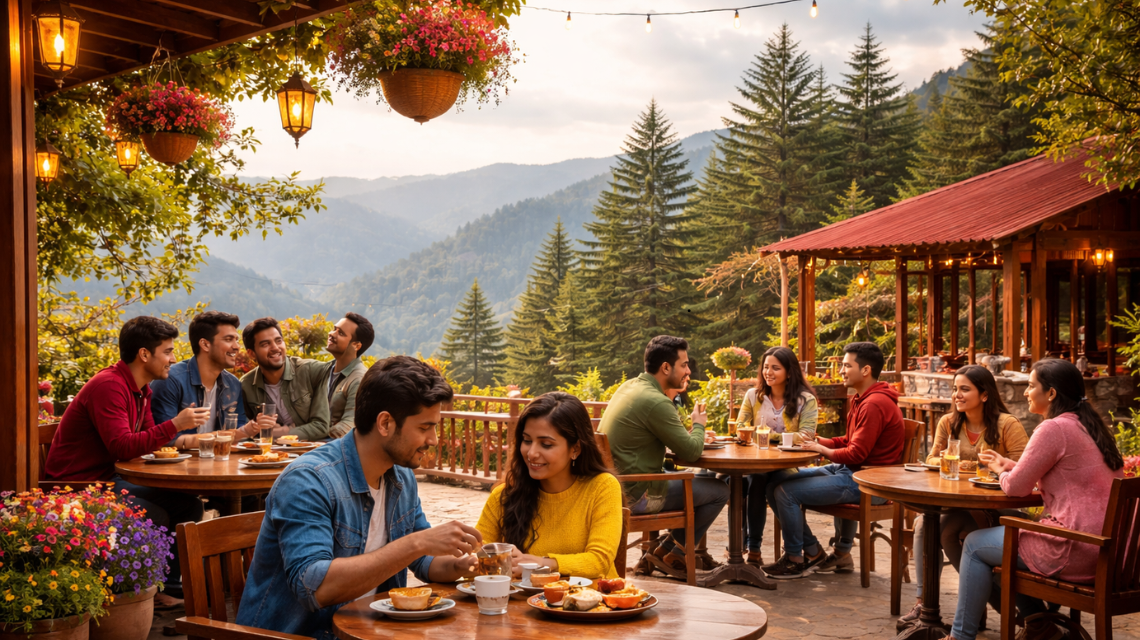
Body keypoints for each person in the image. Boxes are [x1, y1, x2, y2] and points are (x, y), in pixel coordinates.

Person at [236, 356, 482, 639]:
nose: (433, 440)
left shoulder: (400, 478)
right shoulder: (308, 480)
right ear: (385, 423)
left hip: (370, 631)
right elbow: (316, 589)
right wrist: (417, 542)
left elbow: (422, 561)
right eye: (425, 427)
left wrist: (460, 566)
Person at [948, 359, 1124, 640]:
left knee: (974, 544)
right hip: (1110, 552)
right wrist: (1009, 465)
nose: (1025, 393)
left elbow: (1016, 489)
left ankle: (961, 637)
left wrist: (999, 471)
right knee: (1001, 532)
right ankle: (1038, 624)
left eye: (1030, 386)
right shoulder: (1091, 426)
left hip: (1075, 549)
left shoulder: (1053, 428)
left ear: (1051, 394)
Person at [44, 316, 210, 602]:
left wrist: (178, 444)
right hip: (78, 485)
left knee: (188, 506)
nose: (173, 358)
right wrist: (175, 425)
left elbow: (145, 439)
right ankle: (139, 592)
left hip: (108, 479)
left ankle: (165, 587)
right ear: (144, 354)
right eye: (168, 351)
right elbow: (122, 446)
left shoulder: (141, 390)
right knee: (154, 514)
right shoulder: (109, 386)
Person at [899, 364, 1028, 628]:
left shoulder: (1007, 425)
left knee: (937, 528)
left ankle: (985, 601)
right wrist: (959, 463)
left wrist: (991, 466)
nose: (957, 395)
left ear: (984, 395)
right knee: (926, 523)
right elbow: (933, 457)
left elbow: (1022, 469)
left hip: (999, 508)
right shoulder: (949, 422)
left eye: (964, 389)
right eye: (955, 389)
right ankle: (926, 601)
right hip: (959, 505)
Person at [764, 341, 904, 579]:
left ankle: (797, 558)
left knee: (785, 492)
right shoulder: (863, 398)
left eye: (846, 365)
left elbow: (856, 454)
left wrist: (820, 449)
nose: (840, 370)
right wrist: (822, 442)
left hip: (870, 481)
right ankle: (817, 551)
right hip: (852, 471)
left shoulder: (874, 404)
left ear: (866, 370)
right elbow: (851, 441)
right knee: (774, 481)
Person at [599, 335, 727, 573]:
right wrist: (698, 424)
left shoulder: (629, 387)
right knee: (720, 490)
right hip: (637, 494)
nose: (688, 370)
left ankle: (662, 550)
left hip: (616, 486)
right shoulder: (656, 401)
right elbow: (690, 452)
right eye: (684, 364)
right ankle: (674, 553)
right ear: (665, 367)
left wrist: (686, 434)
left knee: (709, 480)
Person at [477, 392, 623, 579]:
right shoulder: (505, 495)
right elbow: (478, 551)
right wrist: (481, 558)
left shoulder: (602, 487)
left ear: (575, 449)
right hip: (524, 605)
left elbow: (599, 561)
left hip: (593, 603)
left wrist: (539, 563)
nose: (531, 453)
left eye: (546, 444)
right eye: (527, 441)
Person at [734, 346, 818, 567]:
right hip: (756, 463)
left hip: (787, 465)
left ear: (789, 372)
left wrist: (768, 436)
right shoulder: (754, 396)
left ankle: (755, 549)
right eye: (765, 367)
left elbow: (807, 435)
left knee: (766, 482)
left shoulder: (805, 400)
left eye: (775, 368)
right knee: (758, 478)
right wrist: (782, 437)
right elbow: (741, 427)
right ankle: (757, 548)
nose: (768, 372)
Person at [151, 310, 251, 447]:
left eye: (236, 340)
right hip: (178, 465)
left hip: (220, 461)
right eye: (228, 339)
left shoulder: (233, 384)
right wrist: (220, 437)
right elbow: (163, 439)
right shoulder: (170, 380)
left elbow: (239, 430)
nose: (237, 347)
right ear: (205, 344)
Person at [240, 317, 331, 442]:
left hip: (311, 450)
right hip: (270, 455)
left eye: (278, 341)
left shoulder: (311, 371)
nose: (275, 348)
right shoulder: (246, 385)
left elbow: (321, 426)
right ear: (251, 354)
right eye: (265, 344)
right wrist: (256, 427)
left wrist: (280, 432)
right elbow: (245, 432)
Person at [324, 312, 374, 438]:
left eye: (340, 333)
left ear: (356, 345)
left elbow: (348, 427)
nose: (331, 334)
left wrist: (311, 432)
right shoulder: (323, 371)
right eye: (334, 329)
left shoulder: (360, 379)